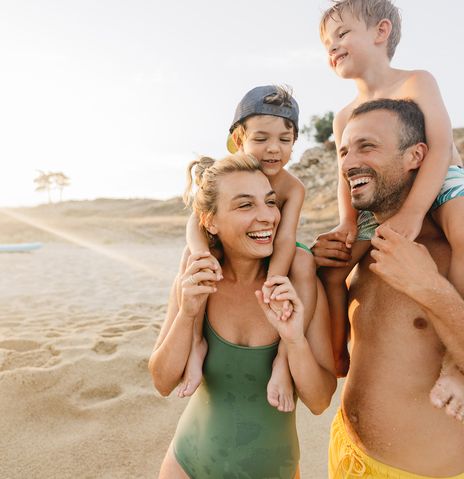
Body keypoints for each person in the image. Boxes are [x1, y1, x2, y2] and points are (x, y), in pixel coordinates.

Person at [148, 153, 336, 478]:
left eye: (270, 202)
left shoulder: (297, 285)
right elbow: (162, 381)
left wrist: (293, 340)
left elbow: (319, 402)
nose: (267, 217)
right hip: (185, 465)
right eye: (245, 205)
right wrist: (187, 314)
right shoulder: (198, 280)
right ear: (210, 221)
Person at [317, 0, 464, 414]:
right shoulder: (344, 114)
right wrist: (348, 222)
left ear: (381, 32)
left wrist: (415, 212)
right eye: (327, 43)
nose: (333, 47)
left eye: (342, 35)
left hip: (442, 181)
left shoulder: (416, 81)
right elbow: (345, 173)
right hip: (379, 199)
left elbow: (437, 147)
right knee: (337, 264)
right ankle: (342, 348)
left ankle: (457, 363)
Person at [313, 99, 464, 478]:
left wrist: (427, 286)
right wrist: (331, 282)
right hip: (347, 454)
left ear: (416, 155)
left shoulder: (451, 246)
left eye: (368, 146)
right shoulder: (368, 249)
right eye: (345, 151)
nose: (349, 163)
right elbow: (339, 364)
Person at [178, 85, 317, 413]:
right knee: (197, 270)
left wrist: (275, 280)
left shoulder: (293, 188)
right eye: (261, 139)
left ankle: (283, 359)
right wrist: (201, 255)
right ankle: (197, 345)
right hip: (232, 244)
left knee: (305, 263)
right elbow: (195, 222)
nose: (273, 149)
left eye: (285, 140)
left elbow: (285, 238)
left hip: (274, 247)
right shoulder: (226, 175)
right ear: (238, 141)